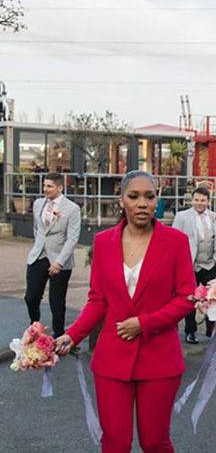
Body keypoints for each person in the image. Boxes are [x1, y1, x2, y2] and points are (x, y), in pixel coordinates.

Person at [53, 171, 196, 453]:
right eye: (134, 196)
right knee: (115, 443)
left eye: (149, 196)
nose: (142, 203)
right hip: (112, 360)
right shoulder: (104, 242)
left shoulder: (176, 241)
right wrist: (72, 335)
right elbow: (97, 301)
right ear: (122, 201)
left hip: (160, 360)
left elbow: (187, 298)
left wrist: (146, 323)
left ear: (157, 201)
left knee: (155, 442)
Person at [25, 172, 82, 337]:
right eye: (44, 185)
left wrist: (59, 262)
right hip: (38, 256)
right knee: (31, 297)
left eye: (49, 186)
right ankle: (34, 329)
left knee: (56, 302)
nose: (45, 189)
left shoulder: (72, 209)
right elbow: (37, 229)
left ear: (60, 187)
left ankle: (58, 335)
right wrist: (39, 245)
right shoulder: (38, 204)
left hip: (59, 260)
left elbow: (72, 239)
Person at [172, 186, 216, 344]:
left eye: (203, 200)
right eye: (196, 200)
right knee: (190, 300)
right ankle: (190, 331)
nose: (199, 203)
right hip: (191, 265)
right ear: (192, 200)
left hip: (211, 264)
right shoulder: (182, 217)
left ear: (208, 201)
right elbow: (174, 239)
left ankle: (211, 330)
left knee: (213, 299)